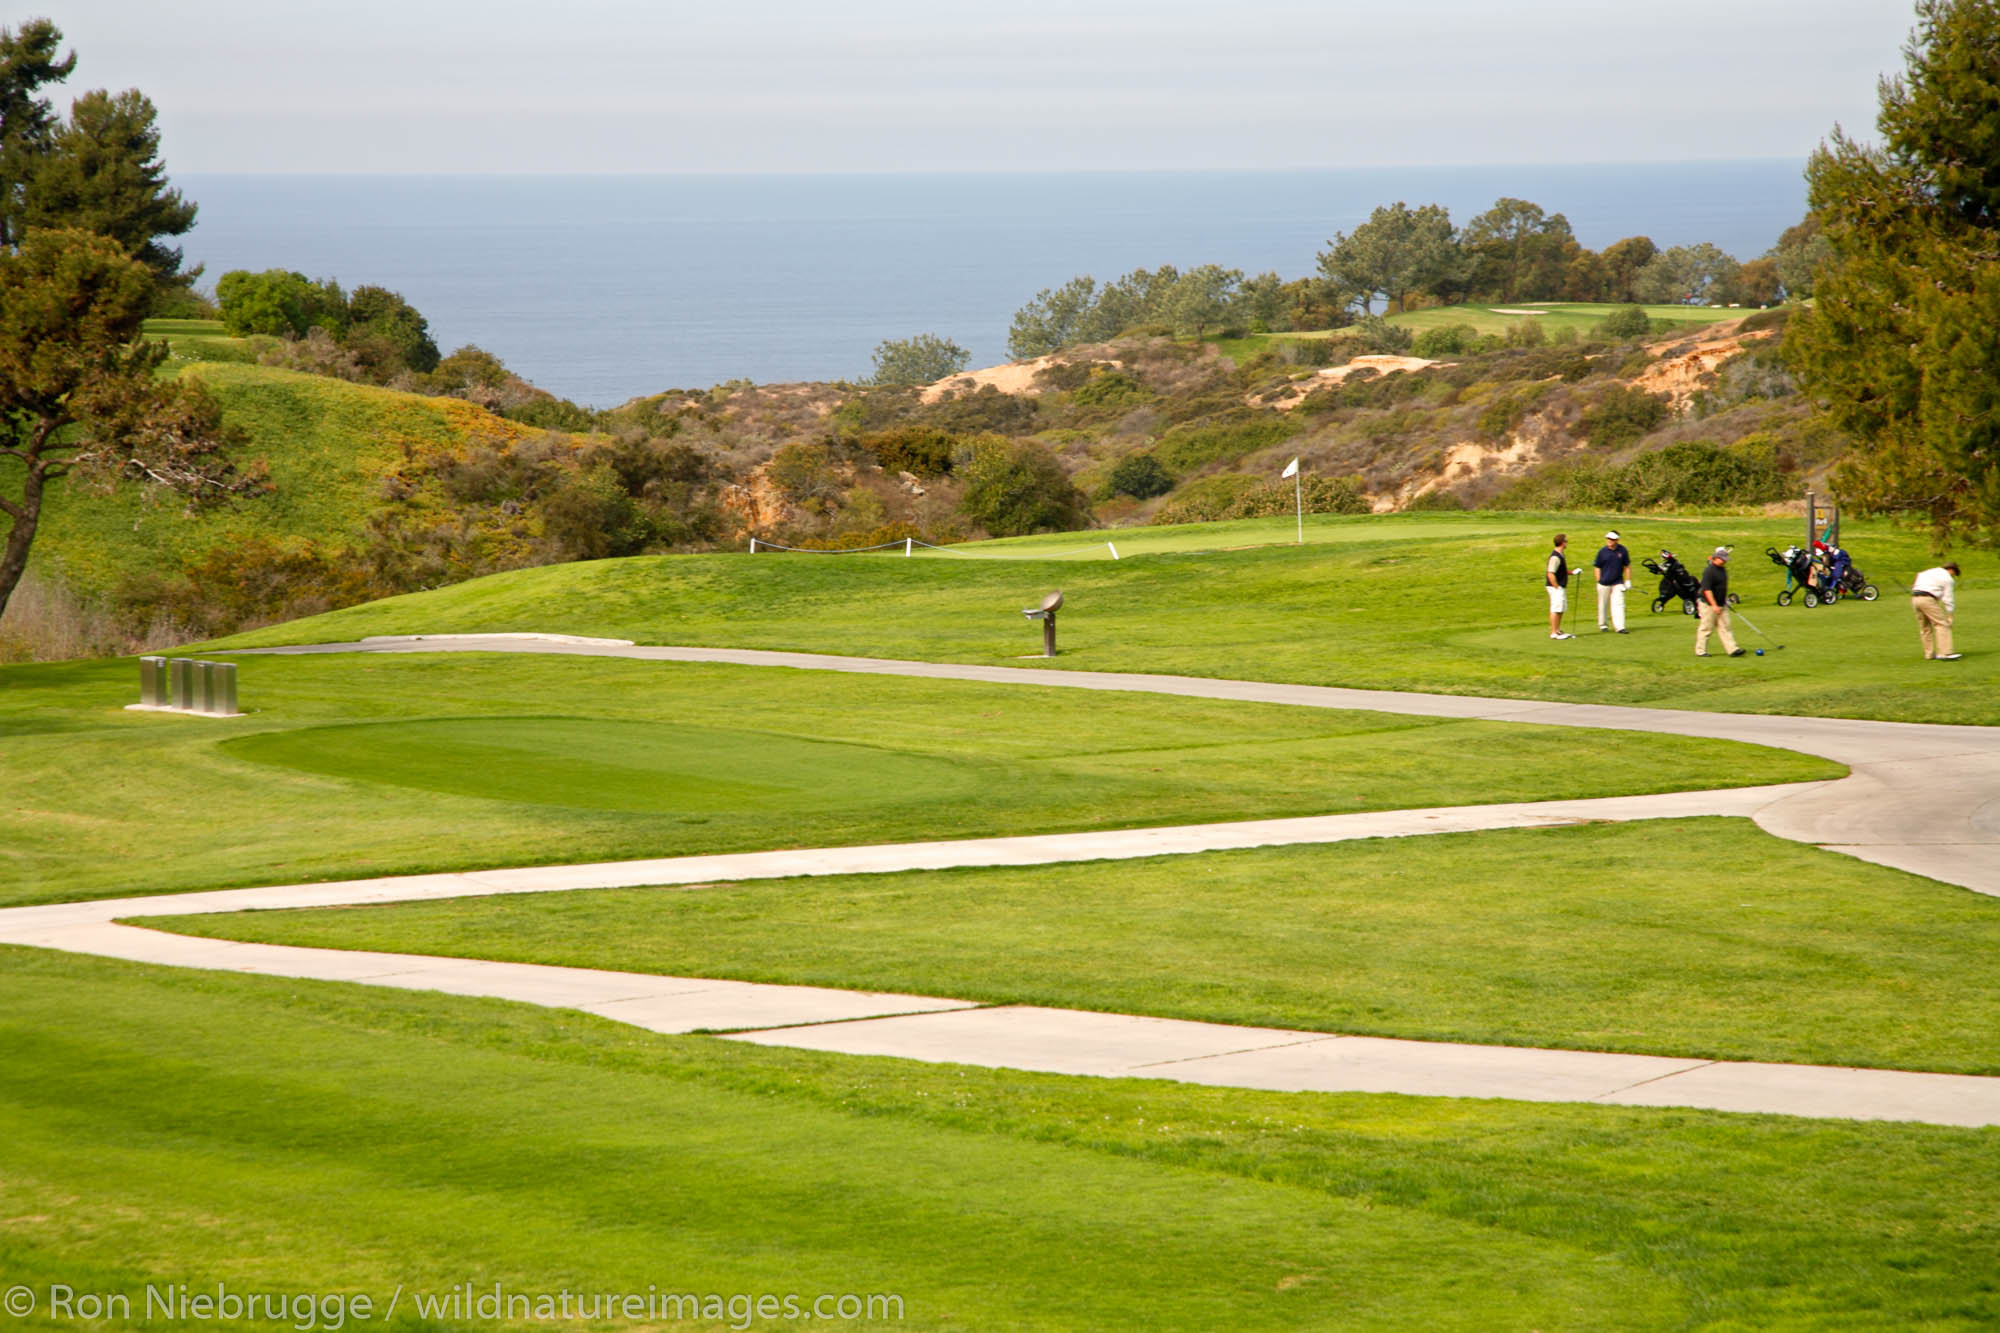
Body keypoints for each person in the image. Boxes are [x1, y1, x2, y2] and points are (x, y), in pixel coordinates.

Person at [1694, 547, 1746, 657]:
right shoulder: (1709, 571)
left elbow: (1722, 587)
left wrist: (1724, 600)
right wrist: (1714, 605)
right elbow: (1707, 590)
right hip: (1708, 605)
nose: (1724, 561)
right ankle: (1700, 651)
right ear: (1716, 558)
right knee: (1706, 628)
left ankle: (1732, 649)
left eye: (1725, 559)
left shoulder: (1723, 569)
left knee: (1725, 627)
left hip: (1722, 604)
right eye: (1722, 559)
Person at [1912, 561, 1962, 660]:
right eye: (1954, 574)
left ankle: (1929, 654)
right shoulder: (1947, 578)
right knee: (1942, 624)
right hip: (1927, 599)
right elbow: (1948, 598)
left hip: (1915, 599)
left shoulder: (1927, 572)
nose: (1953, 576)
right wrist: (1950, 614)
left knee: (1925, 628)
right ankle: (1945, 653)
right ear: (1952, 570)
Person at [1594, 531, 1632, 633]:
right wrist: (1598, 580)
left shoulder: (1622, 550)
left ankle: (1620, 627)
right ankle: (1603, 625)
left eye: (1612, 539)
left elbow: (1627, 566)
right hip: (1604, 582)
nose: (1609, 541)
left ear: (1617, 540)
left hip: (1617, 582)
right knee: (1603, 604)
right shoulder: (1602, 551)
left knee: (1619, 604)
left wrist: (1628, 580)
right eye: (1608, 539)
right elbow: (1597, 567)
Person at [1545, 533, 1575, 639]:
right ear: (1563, 543)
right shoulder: (1555, 557)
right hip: (1555, 587)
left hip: (1559, 586)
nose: (1567, 543)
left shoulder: (1561, 555)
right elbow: (1550, 573)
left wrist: (1572, 572)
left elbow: (1561, 571)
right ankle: (1553, 632)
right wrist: (1556, 587)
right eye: (1566, 541)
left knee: (1561, 608)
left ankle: (1557, 630)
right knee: (1556, 608)